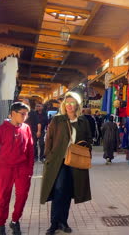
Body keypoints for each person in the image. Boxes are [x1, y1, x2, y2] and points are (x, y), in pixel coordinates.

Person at [40, 92, 93, 235]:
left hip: (76, 161)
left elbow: (88, 139)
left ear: (77, 104)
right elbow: (49, 139)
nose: (69, 105)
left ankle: (63, 222)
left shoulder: (83, 121)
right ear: (64, 105)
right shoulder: (57, 120)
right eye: (67, 103)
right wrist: (49, 156)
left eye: (72, 102)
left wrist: (87, 153)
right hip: (59, 161)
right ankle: (54, 223)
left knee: (68, 192)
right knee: (59, 190)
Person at [0, 102, 34, 235]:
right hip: (5, 170)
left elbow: (30, 150)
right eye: (23, 114)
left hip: (23, 169)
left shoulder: (26, 128)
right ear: (13, 113)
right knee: (3, 198)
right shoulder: (1, 129)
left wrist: (30, 169)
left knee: (22, 196)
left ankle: (15, 221)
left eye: (27, 114)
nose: (25, 117)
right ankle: (0, 224)